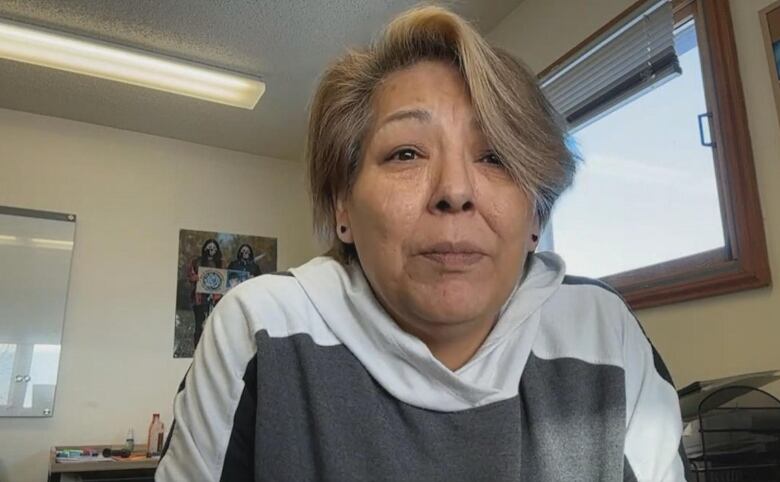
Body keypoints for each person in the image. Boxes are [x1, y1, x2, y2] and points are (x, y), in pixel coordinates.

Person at [158, 6, 687, 481]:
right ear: (343, 207)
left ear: (535, 217)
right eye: (407, 153)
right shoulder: (259, 329)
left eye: (496, 157)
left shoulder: (602, 330)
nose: (455, 191)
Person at [186, 238, 223, 347]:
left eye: (214, 248)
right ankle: (197, 347)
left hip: (216, 299)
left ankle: (211, 348)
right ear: (205, 248)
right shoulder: (197, 261)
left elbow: (224, 279)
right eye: (209, 247)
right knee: (199, 324)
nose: (211, 250)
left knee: (213, 325)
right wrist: (195, 277)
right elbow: (190, 275)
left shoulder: (220, 263)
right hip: (200, 298)